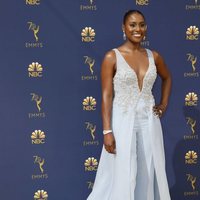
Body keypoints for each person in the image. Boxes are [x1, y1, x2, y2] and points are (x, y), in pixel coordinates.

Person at [87, 10, 171, 200]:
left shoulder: (154, 57)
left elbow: (167, 77)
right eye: (132, 25)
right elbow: (107, 96)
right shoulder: (112, 57)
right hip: (122, 122)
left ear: (146, 28)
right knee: (124, 173)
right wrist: (106, 131)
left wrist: (163, 103)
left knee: (148, 170)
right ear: (123, 28)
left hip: (149, 121)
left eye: (141, 25)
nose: (137, 29)